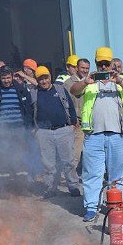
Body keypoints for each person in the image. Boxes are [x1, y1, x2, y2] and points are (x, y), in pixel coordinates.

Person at [70, 47, 123, 222]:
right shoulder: (89, 82)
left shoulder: (121, 80)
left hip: (117, 135)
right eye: (101, 64)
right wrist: (85, 81)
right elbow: (74, 91)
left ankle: (115, 207)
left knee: (116, 175)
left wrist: (119, 81)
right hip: (94, 136)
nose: (104, 67)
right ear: (96, 63)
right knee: (92, 173)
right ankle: (91, 207)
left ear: (112, 64)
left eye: (107, 64)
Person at [0, 65, 34, 197]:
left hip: (19, 130)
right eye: (3, 78)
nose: (6, 80)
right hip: (2, 131)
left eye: (8, 77)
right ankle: (2, 189)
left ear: (12, 76)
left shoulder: (21, 90)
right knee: (3, 160)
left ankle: (22, 188)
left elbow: (29, 110)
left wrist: (29, 127)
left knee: (20, 159)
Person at [32, 66, 80, 199]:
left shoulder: (60, 89)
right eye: (40, 79)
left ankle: (73, 186)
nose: (44, 81)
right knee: (48, 164)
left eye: (45, 78)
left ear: (50, 77)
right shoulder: (34, 93)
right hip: (44, 132)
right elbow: (29, 111)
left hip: (63, 130)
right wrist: (33, 128)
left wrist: (73, 121)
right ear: (37, 80)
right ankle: (50, 188)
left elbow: (69, 105)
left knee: (68, 161)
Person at [64, 57, 90, 173]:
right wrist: (71, 120)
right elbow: (65, 104)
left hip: (91, 123)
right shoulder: (68, 83)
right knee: (75, 153)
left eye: (87, 68)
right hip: (77, 123)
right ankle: (70, 178)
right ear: (77, 68)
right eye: (82, 68)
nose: (85, 70)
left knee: (91, 153)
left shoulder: (92, 81)